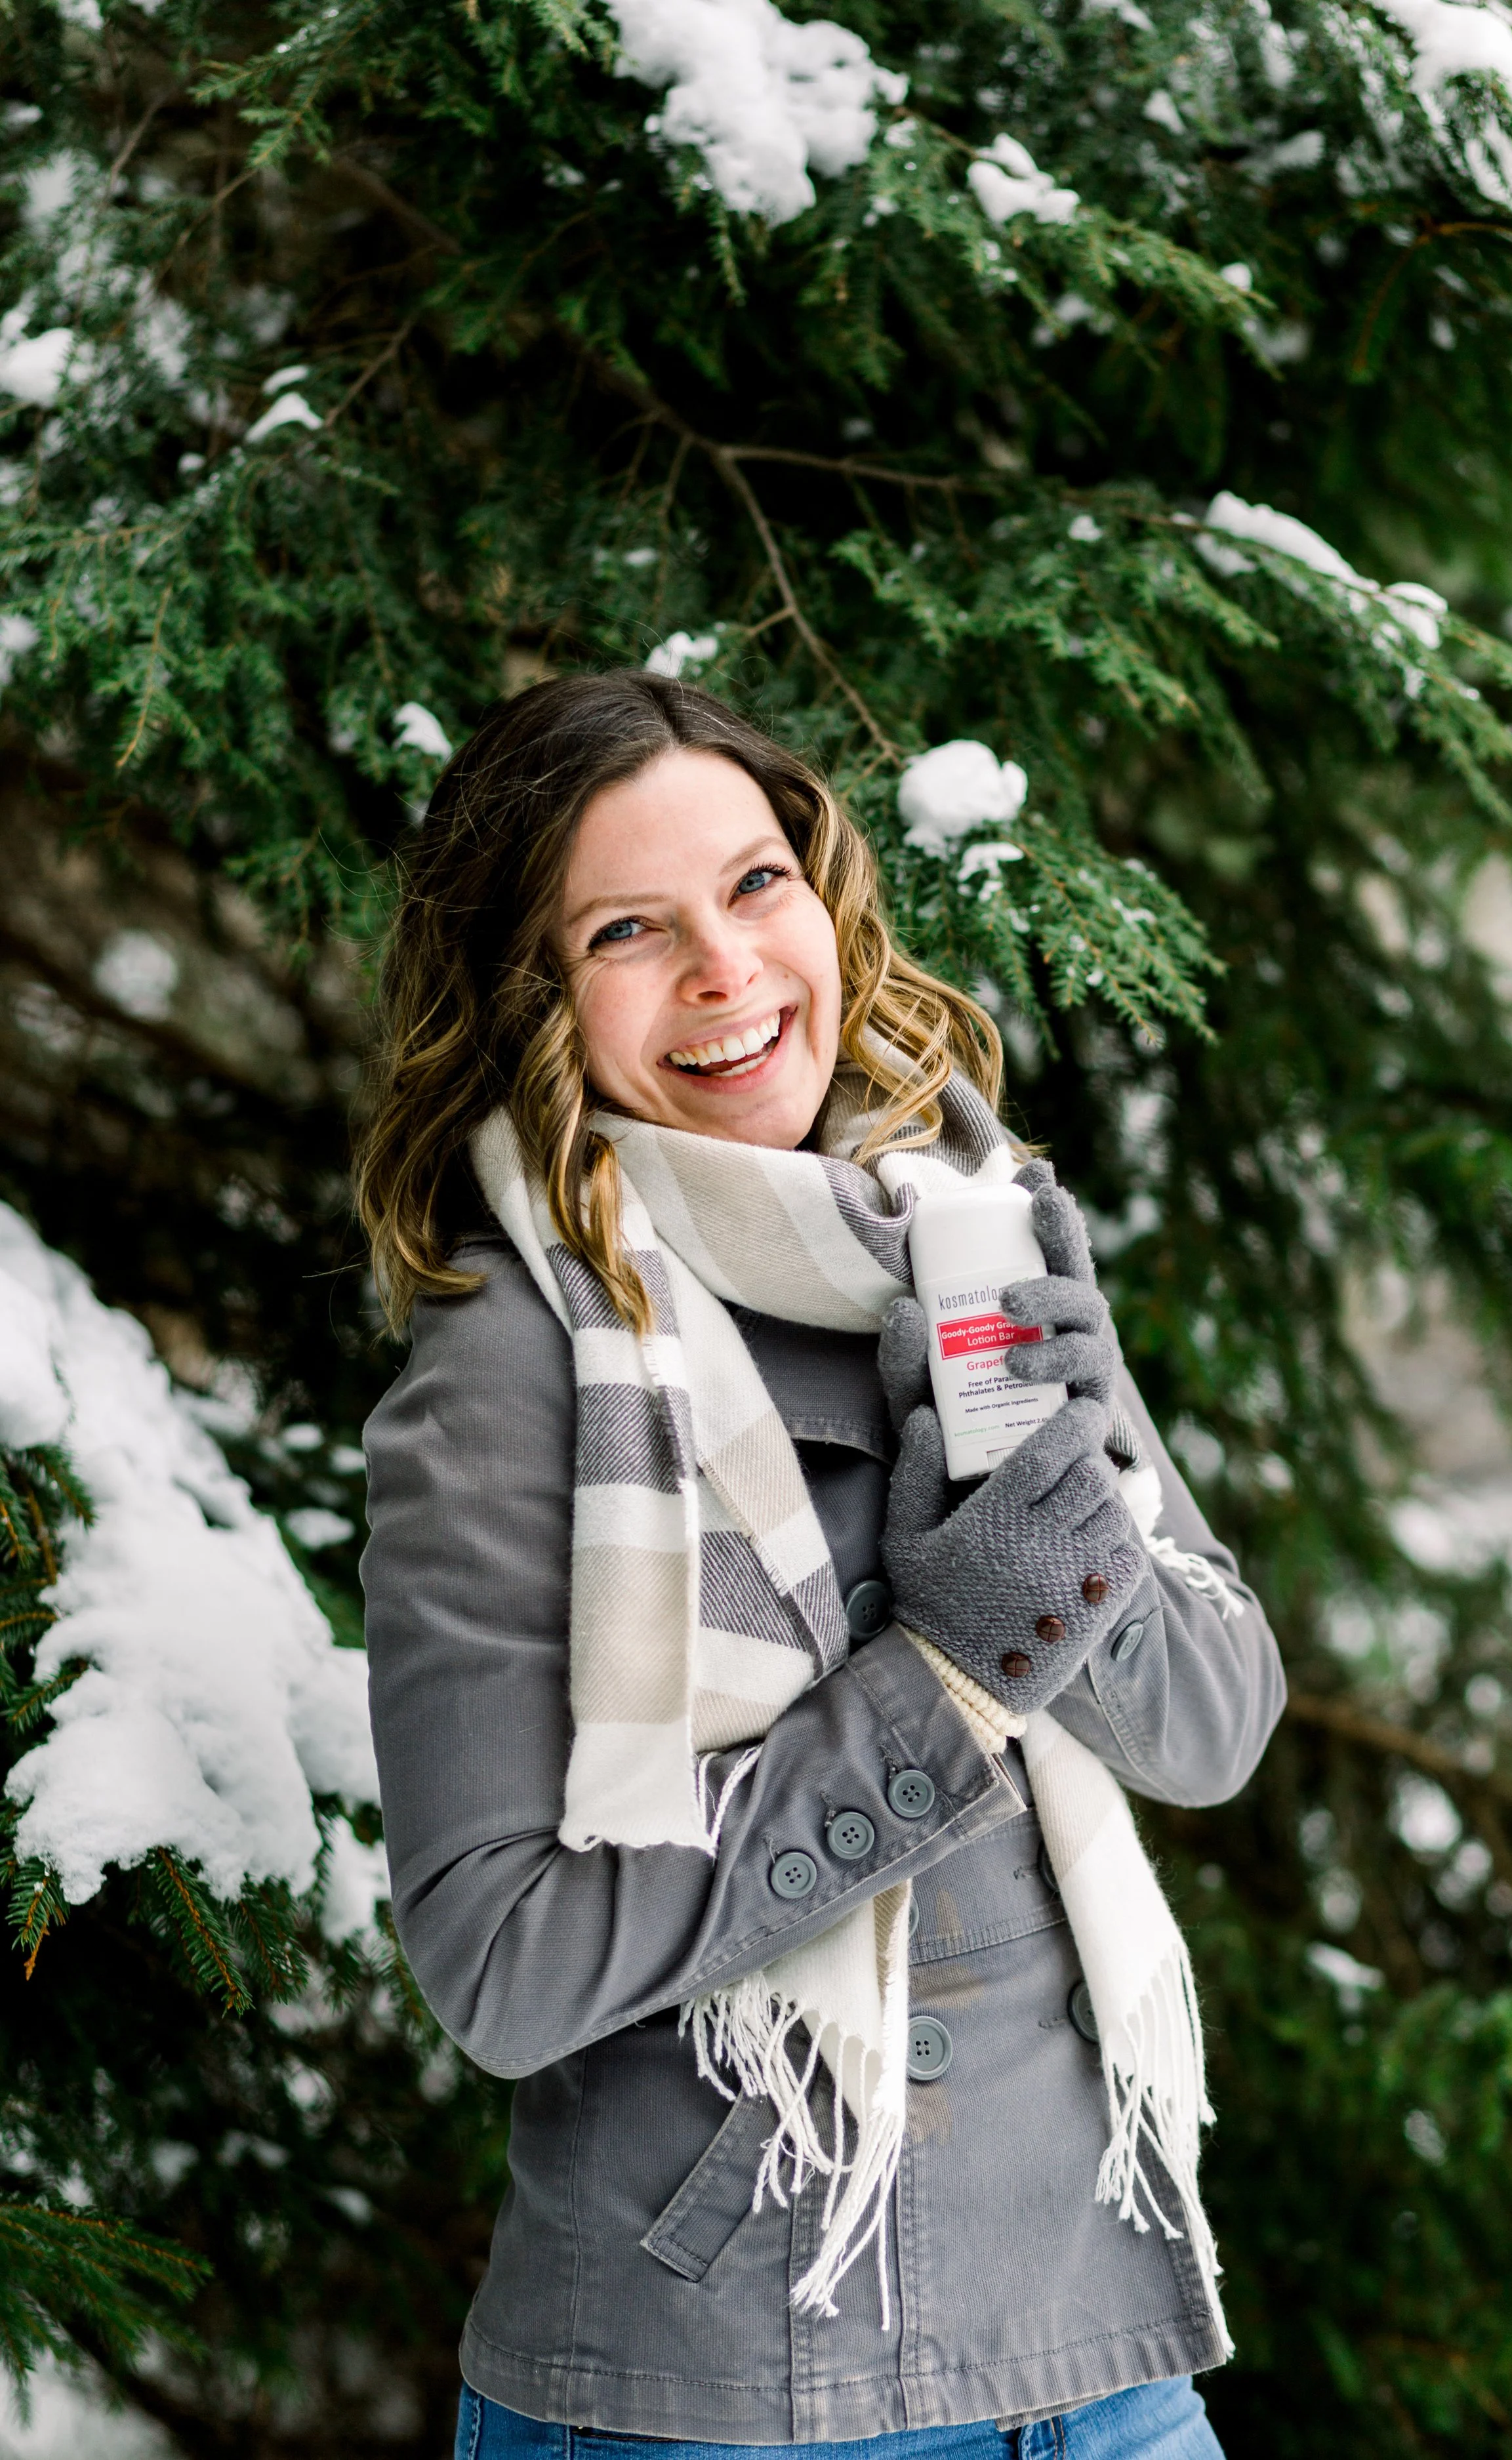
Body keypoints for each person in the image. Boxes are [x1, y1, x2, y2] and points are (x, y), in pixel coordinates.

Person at [356, 672, 1286, 2460]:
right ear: (529, 998)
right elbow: (503, 1961)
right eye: (630, 929)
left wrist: (1039, 1496)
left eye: (756, 882)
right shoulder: (509, 1366)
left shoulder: (974, 1235)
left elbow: (1210, 1720)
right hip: (721, 2397)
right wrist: (940, 1680)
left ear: (826, 894)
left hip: (1096, 2365)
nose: (726, 970)